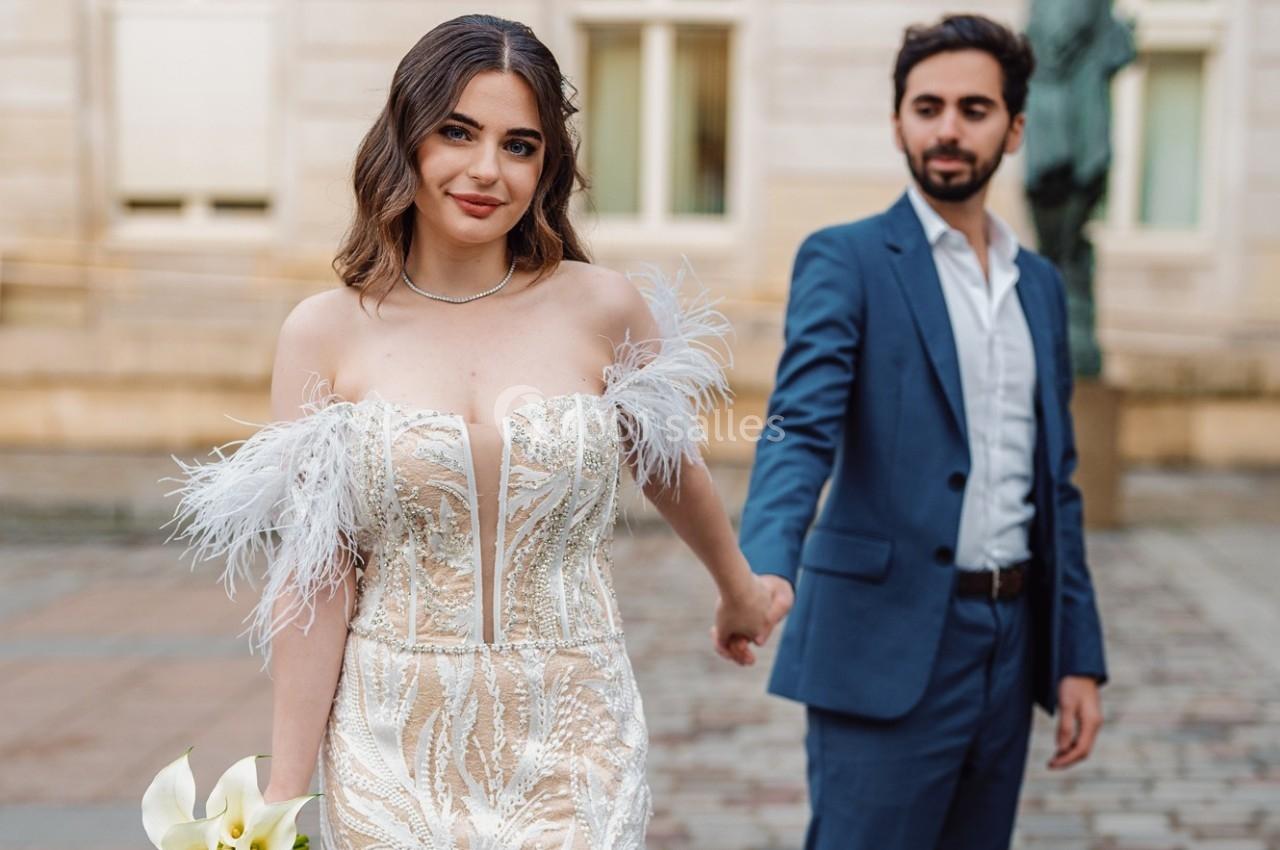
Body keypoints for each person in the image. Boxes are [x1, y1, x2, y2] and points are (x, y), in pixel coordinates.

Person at [168, 14, 779, 848]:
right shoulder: (325, 332)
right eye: (458, 132)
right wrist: (282, 789)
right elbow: (317, 575)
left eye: (520, 145)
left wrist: (737, 589)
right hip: (391, 741)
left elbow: (668, 464)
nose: (487, 170)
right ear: (407, 139)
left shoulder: (603, 307)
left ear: (547, 165)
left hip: (575, 731)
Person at [738, 14, 1108, 850]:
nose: (947, 128)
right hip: (885, 641)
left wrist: (1076, 656)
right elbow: (799, 426)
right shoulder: (847, 260)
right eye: (927, 105)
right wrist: (764, 563)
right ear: (898, 120)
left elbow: (1059, 485)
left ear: (1014, 129)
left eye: (974, 110)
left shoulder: (1040, 288)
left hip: (1010, 645)